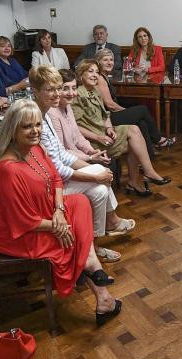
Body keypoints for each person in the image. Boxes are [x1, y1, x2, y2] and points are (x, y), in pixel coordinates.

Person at [0, 101, 121, 327]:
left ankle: (88, 264)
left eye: (38, 125)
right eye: (27, 126)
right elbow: (23, 221)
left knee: (79, 203)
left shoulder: (35, 149)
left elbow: (56, 178)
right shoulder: (7, 170)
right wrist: (58, 226)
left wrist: (58, 211)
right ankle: (102, 294)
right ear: (12, 129)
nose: (35, 131)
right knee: (72, 235)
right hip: (16, 235)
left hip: (41, 213)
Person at [29, 66, 132, 261]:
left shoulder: (46, 112)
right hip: (47, 188)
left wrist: (95, 166)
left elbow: (61, 154)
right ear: (35, 91)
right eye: (51, 89)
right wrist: (94, 174)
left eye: (58, 88)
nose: (57, 93)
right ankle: (104, 232)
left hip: (57, 179)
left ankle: (93, 246)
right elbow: (56, 167)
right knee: (99, 181)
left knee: (100, 189)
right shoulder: (38, 118)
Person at [72, 60, 169, 197]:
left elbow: (105, 115)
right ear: (81, 74)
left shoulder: (95, 90)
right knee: (134, 138)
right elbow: (76, 127)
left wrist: (110, 128)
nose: (95, 75)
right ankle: (143, 176)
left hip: (104, 134)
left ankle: (140, 178)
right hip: (92, 141)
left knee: (135, 132)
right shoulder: (77, 94)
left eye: (97, 72)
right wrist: (99, 137)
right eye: (91, 71)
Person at [93, 48, 173, 150]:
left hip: (112, 114)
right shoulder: (100, 78)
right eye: (105, 60)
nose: (109, 63)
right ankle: (158, 139)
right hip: (108, 118)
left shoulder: (105, 76)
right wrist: (126, 111)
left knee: (142, 123)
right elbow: (109, 105)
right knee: (142, 110)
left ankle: (149, 155)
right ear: (98, 62)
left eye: (111, 60)